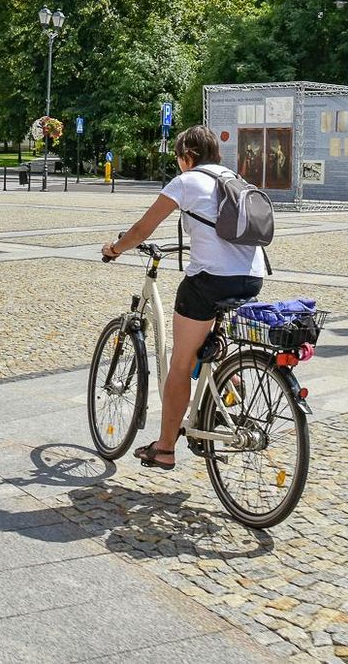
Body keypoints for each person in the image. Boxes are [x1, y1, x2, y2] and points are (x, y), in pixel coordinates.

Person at [101, 125, 264, 469]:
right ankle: (226, 381)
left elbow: (143, 230)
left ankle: (164, 449)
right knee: (204, 343)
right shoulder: (232, 178)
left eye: (178, 158)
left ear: (187, 156)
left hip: (210, 282)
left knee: (179, 362)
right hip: (252, 278)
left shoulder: (187, 181)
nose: (178, 164)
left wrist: (115, 249)